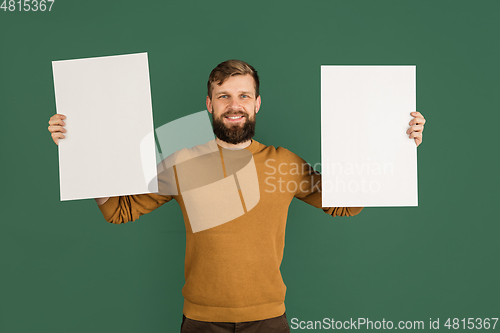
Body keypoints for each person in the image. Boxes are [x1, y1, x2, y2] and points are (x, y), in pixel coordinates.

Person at [47, 60, 426, 333]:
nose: (234, 104)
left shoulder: (285, 163)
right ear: (209, 104)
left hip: (268, 320)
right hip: (200, 321)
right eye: (224, 95)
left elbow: (346, 203)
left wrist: (397, 143)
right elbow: (118, 210)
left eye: (244, 95)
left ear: (257, 104)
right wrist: (78, 147)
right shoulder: (181, 161)